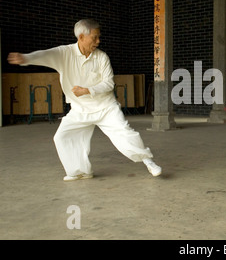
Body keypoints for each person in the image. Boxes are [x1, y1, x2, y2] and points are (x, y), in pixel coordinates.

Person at [7, 19, 162, 181]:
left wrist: (87, 90)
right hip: (80, 110)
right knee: (62, 137)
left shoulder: (102, 57)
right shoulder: (64, 53)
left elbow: (109, 83)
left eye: (98, 37)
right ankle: (81, 171)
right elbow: (45, 55)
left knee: (125, 134)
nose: (98, 41)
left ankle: (148, 161)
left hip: (106, 108)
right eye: (94, 38)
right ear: (81, 37)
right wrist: (25, 58)